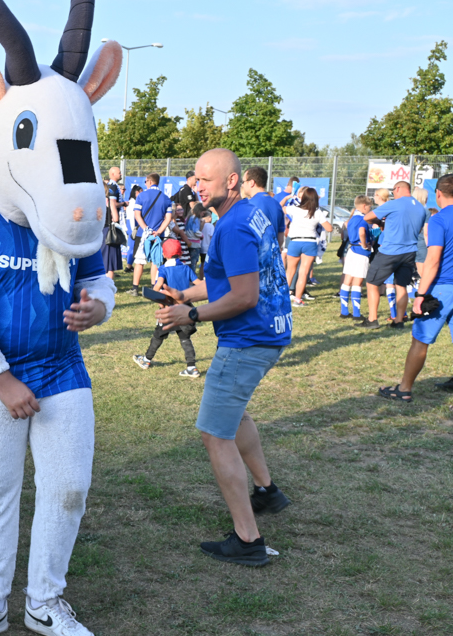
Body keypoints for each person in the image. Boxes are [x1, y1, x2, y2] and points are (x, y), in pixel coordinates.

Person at [156, 148, 292, 567]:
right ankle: (268, 492)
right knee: (236, 414)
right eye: (195, 179)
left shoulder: (231, 227)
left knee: (215, 434)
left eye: (205, 179)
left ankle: (247, 539)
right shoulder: (250, 212)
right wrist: (184, 294)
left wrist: (190, 313)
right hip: (269, 333)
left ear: (231, 181)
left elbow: (244, 296)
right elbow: (227, 280)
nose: (197, 186)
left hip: (248, 340)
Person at [378, 175, 453, 402]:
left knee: (420, 339)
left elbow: (432, 261)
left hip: (442, 287)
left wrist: (420, 294)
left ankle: (404, 389)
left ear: (438, 194)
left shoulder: (440, 220)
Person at [359, 181, 428, 329]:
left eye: (393, 191)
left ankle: (372, 319)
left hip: (390, 251)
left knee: (372, 282)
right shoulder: (421, 209)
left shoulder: (394, 204)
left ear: (398, 189)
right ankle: (398, 321)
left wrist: (381, 222)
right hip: (410, 252)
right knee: (401, 285)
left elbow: (367, 217)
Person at [132, 239, 202, 377]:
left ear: (164, 254)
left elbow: (158, 286)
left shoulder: (163, 269)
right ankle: (192, 367)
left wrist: (156, 298)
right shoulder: (186, 268)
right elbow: (199, 283)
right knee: (185, 338)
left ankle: (146, 360)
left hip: (170, 310)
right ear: (180, 253)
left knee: (158, 335)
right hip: (185, 309)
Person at [283, 188, 332, 307]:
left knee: (289, 271)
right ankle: (298, 300)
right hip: (310, 243)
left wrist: (286, 198)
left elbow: (280, 208)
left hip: (294, 242)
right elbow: (330, 228)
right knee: (303, 273)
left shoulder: (295, 209)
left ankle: (283, 298)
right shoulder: (317, 212)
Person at [129, 173, 174, 296]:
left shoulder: (141, 196)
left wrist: (146, 229)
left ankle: (135, 288)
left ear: (148, 181)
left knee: (139, 261)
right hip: (158, 235)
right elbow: (168, 218)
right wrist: (159, 231)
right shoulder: (166, 198)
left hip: (142, 233)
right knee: (156, 261)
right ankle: (154, 287)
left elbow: (137, 215)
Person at [340, 196, 373, 320]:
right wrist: (365, 245)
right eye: (370, 207)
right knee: (358, 282)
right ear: (364, 206)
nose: (370, 209)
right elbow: (362, 232)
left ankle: (344, 311)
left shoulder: (352, 218)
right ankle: (356, 313)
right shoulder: (363, 219)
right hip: (360, 252)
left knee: (347, 280)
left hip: (351, 250)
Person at [241, 166, 285, 249]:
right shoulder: (277, 205)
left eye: (243, 182)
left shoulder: (248, 205)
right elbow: (280, 238)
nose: (242, 185)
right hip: (270, 258)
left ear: (251, 183)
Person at [101, 180, 123, 279]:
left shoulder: (92, 201)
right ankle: (108, 285)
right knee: (109, 263)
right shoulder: (109, 201)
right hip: (108, 231)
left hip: (97, 233)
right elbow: (116, 218)